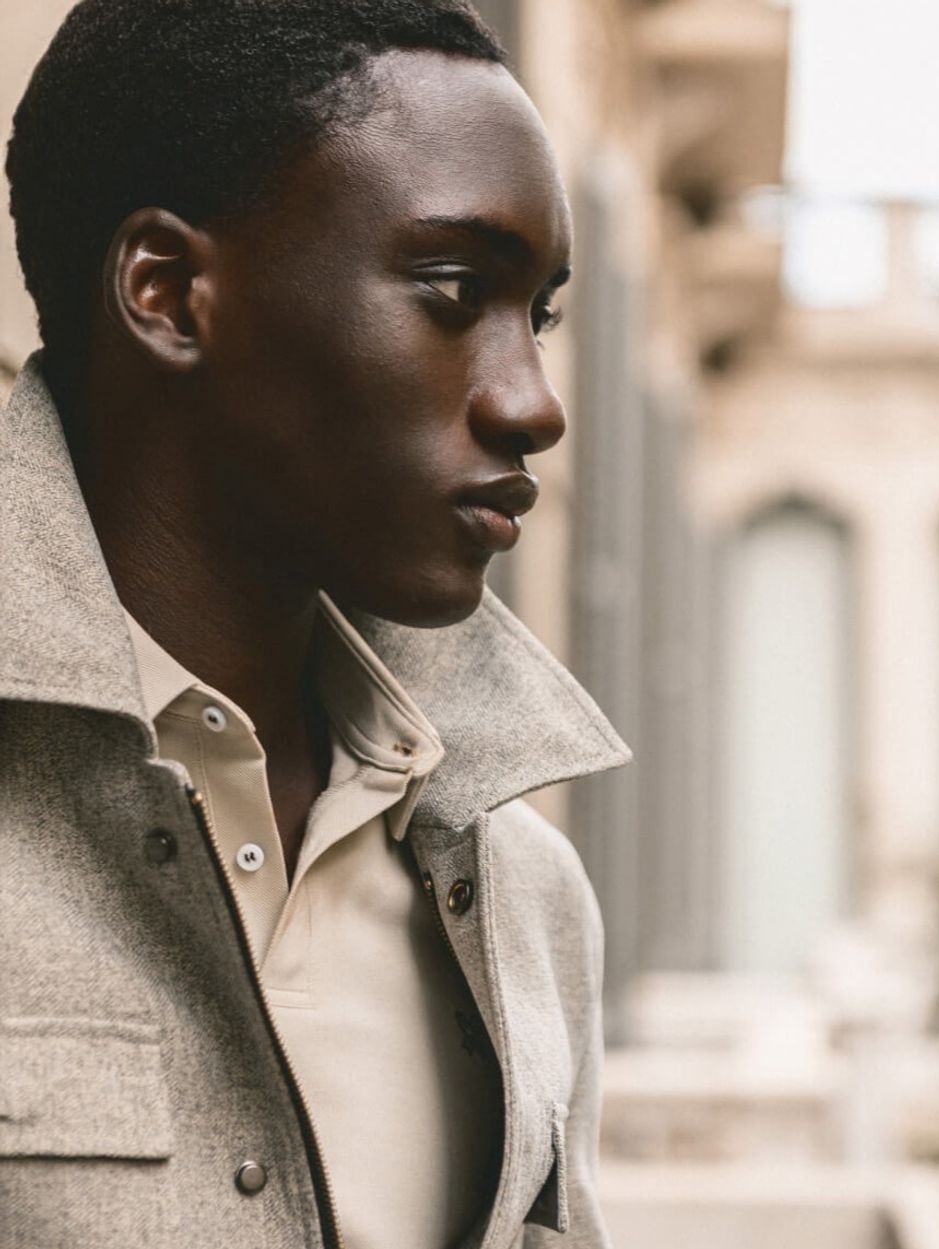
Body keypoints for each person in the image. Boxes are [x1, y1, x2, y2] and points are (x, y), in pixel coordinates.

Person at [0, 2, 629, 1246]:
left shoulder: (523, 894)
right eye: (457, 292)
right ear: (169, 294)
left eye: (538, 316)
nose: (532, 403)